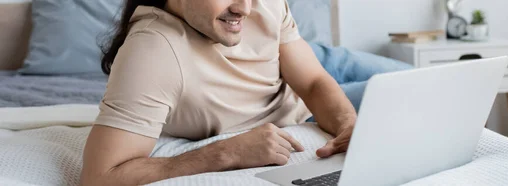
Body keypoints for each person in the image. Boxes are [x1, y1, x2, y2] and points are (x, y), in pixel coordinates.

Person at [80, 0, 410, 185]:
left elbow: (311, 81)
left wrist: (347, 122)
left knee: (418, 84)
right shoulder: (152, 52)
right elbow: (99, 177)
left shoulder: (259, 6)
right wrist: (225, 154)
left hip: (302, 64)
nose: (247, 8)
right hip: (296, 91)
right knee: (408, 99)